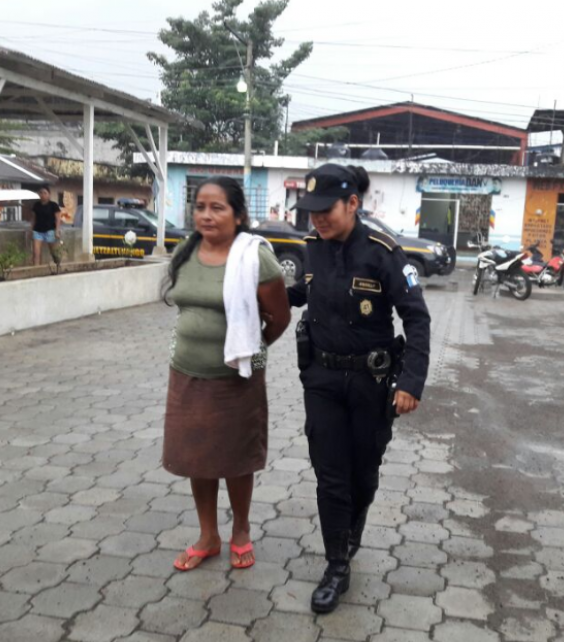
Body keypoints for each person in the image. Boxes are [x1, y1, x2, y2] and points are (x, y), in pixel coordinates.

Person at [287, 164, 431, 614]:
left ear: (352, 204)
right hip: (323, 379)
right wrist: (270, 293)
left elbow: (417, 318)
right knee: (330, 474)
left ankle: (353, 528)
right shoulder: (311, 248)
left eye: (325, 210)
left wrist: (411, 381)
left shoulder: (384, 253)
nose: (317, 220)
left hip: (372, 382)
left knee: (362, 473)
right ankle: (336, 565)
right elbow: (306, 293)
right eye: (310, 212)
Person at [162, 176, 290, 571]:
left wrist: (248, 349)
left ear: (237, 215)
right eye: (200, 206)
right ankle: (208, 536)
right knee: (196, 458)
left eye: (217, 207)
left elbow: (280, 316)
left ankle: (241, 531)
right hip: (186, 373)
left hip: (237, 379)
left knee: (235, 458)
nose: (206, 215)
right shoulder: (186, 250)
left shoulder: (254, 257)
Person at [31, 187, 61, 265]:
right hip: (37, 231)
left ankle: (58, 265)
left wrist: (57, 230)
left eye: (45, 193)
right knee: (36, 253)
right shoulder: (36, 205)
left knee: (53, 251)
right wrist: (31, 229)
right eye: (41, 193)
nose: (43, 195)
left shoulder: (53, 205)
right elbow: (33, 218)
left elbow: (58, 219)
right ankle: (36, 270)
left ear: (49, 195)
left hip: (50, 230)